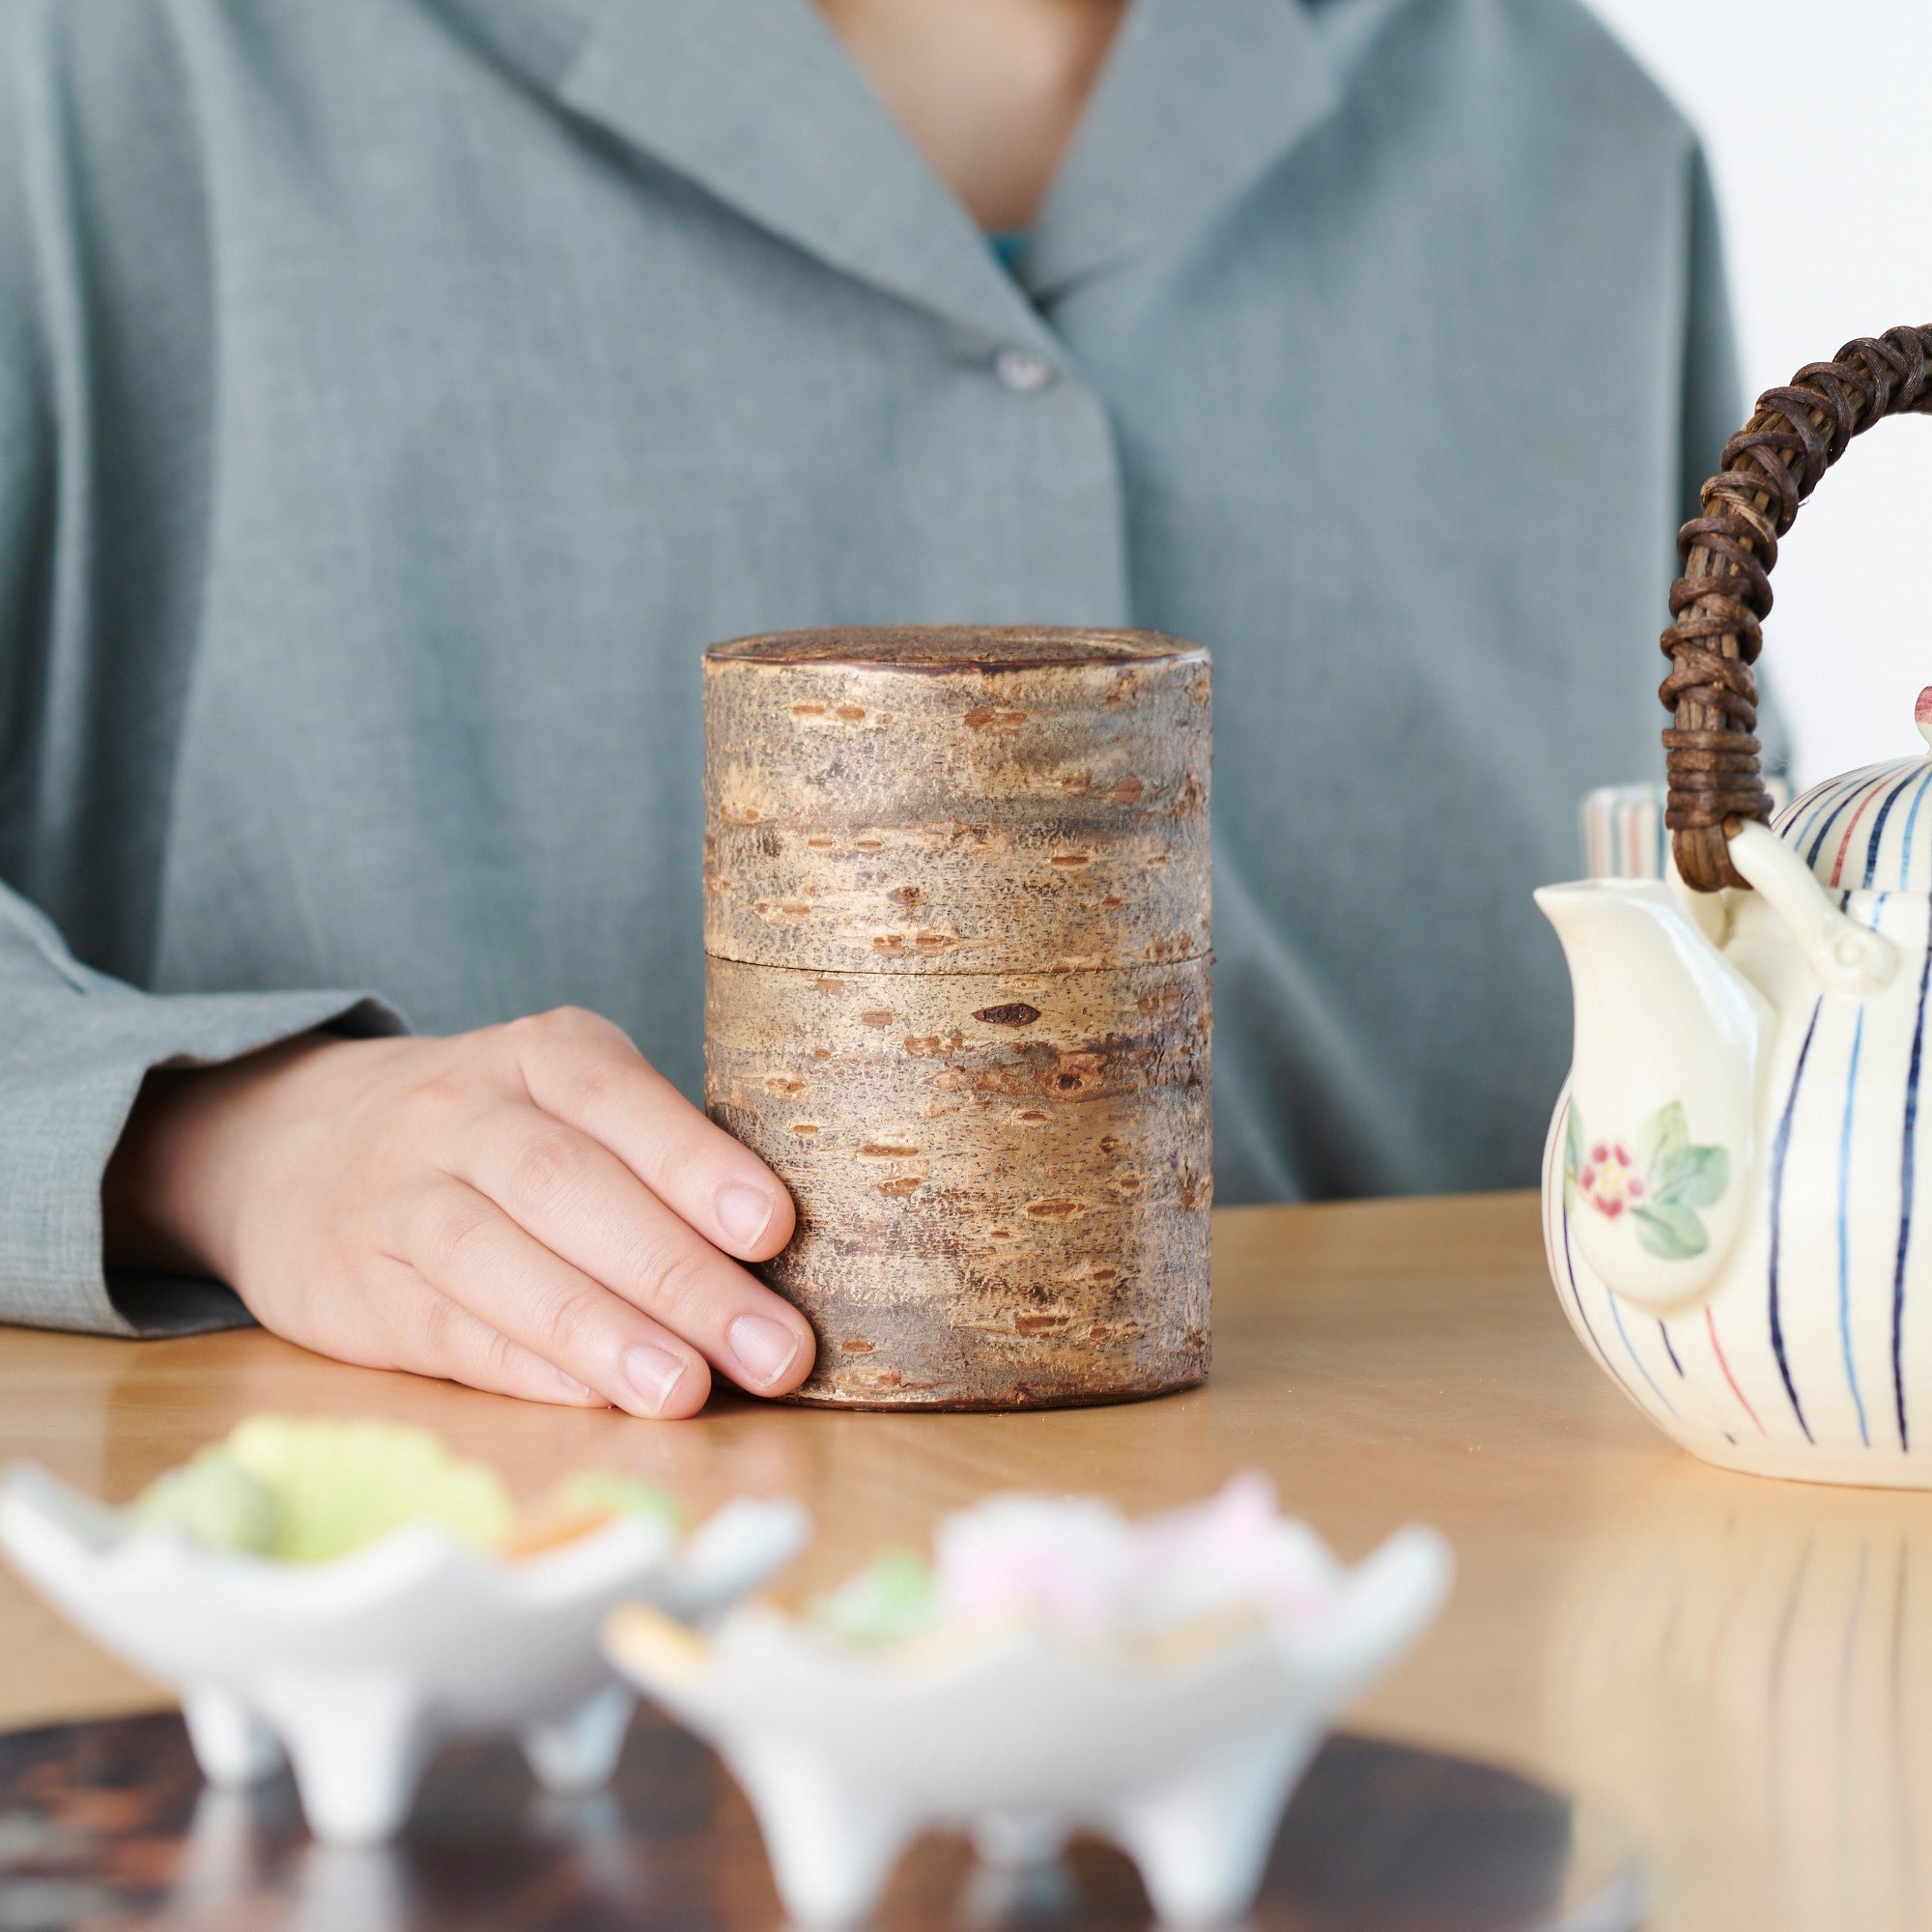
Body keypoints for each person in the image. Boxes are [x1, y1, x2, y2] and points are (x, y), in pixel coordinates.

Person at [0, 0, 1742, 1414]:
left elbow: (1730, 951)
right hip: (453, 1686)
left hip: (1440, 1679)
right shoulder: (113, 75)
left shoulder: (1576, 137)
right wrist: (216, 1138)